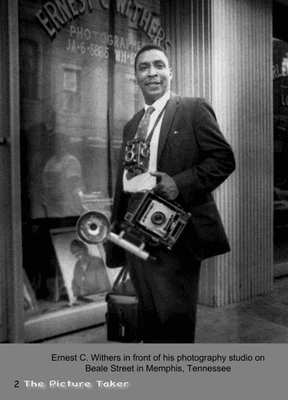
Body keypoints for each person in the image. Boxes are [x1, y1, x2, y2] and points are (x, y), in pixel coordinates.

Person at [105, 44, 236, 343]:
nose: (152, 73)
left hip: (174, 237)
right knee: (148, 325)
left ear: (170, 73)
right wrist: (117, 239)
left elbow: (223, 159)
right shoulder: (131, 125)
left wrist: (180, 183)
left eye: (158, 65)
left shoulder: (192, 109)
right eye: (144, 67)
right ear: (136, 77)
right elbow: (124, 184)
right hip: (134, 237)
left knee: (174, 329)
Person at [70, 239, 110, 304]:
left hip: (99, 298)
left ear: (85, 249)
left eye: (79, 250)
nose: (77, 253)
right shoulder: (77, 265)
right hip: (84, 300)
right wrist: (77, 296)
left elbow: (104, 285)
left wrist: (95, 298)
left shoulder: (97, 261)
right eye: (74, 252)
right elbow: (74, 283)